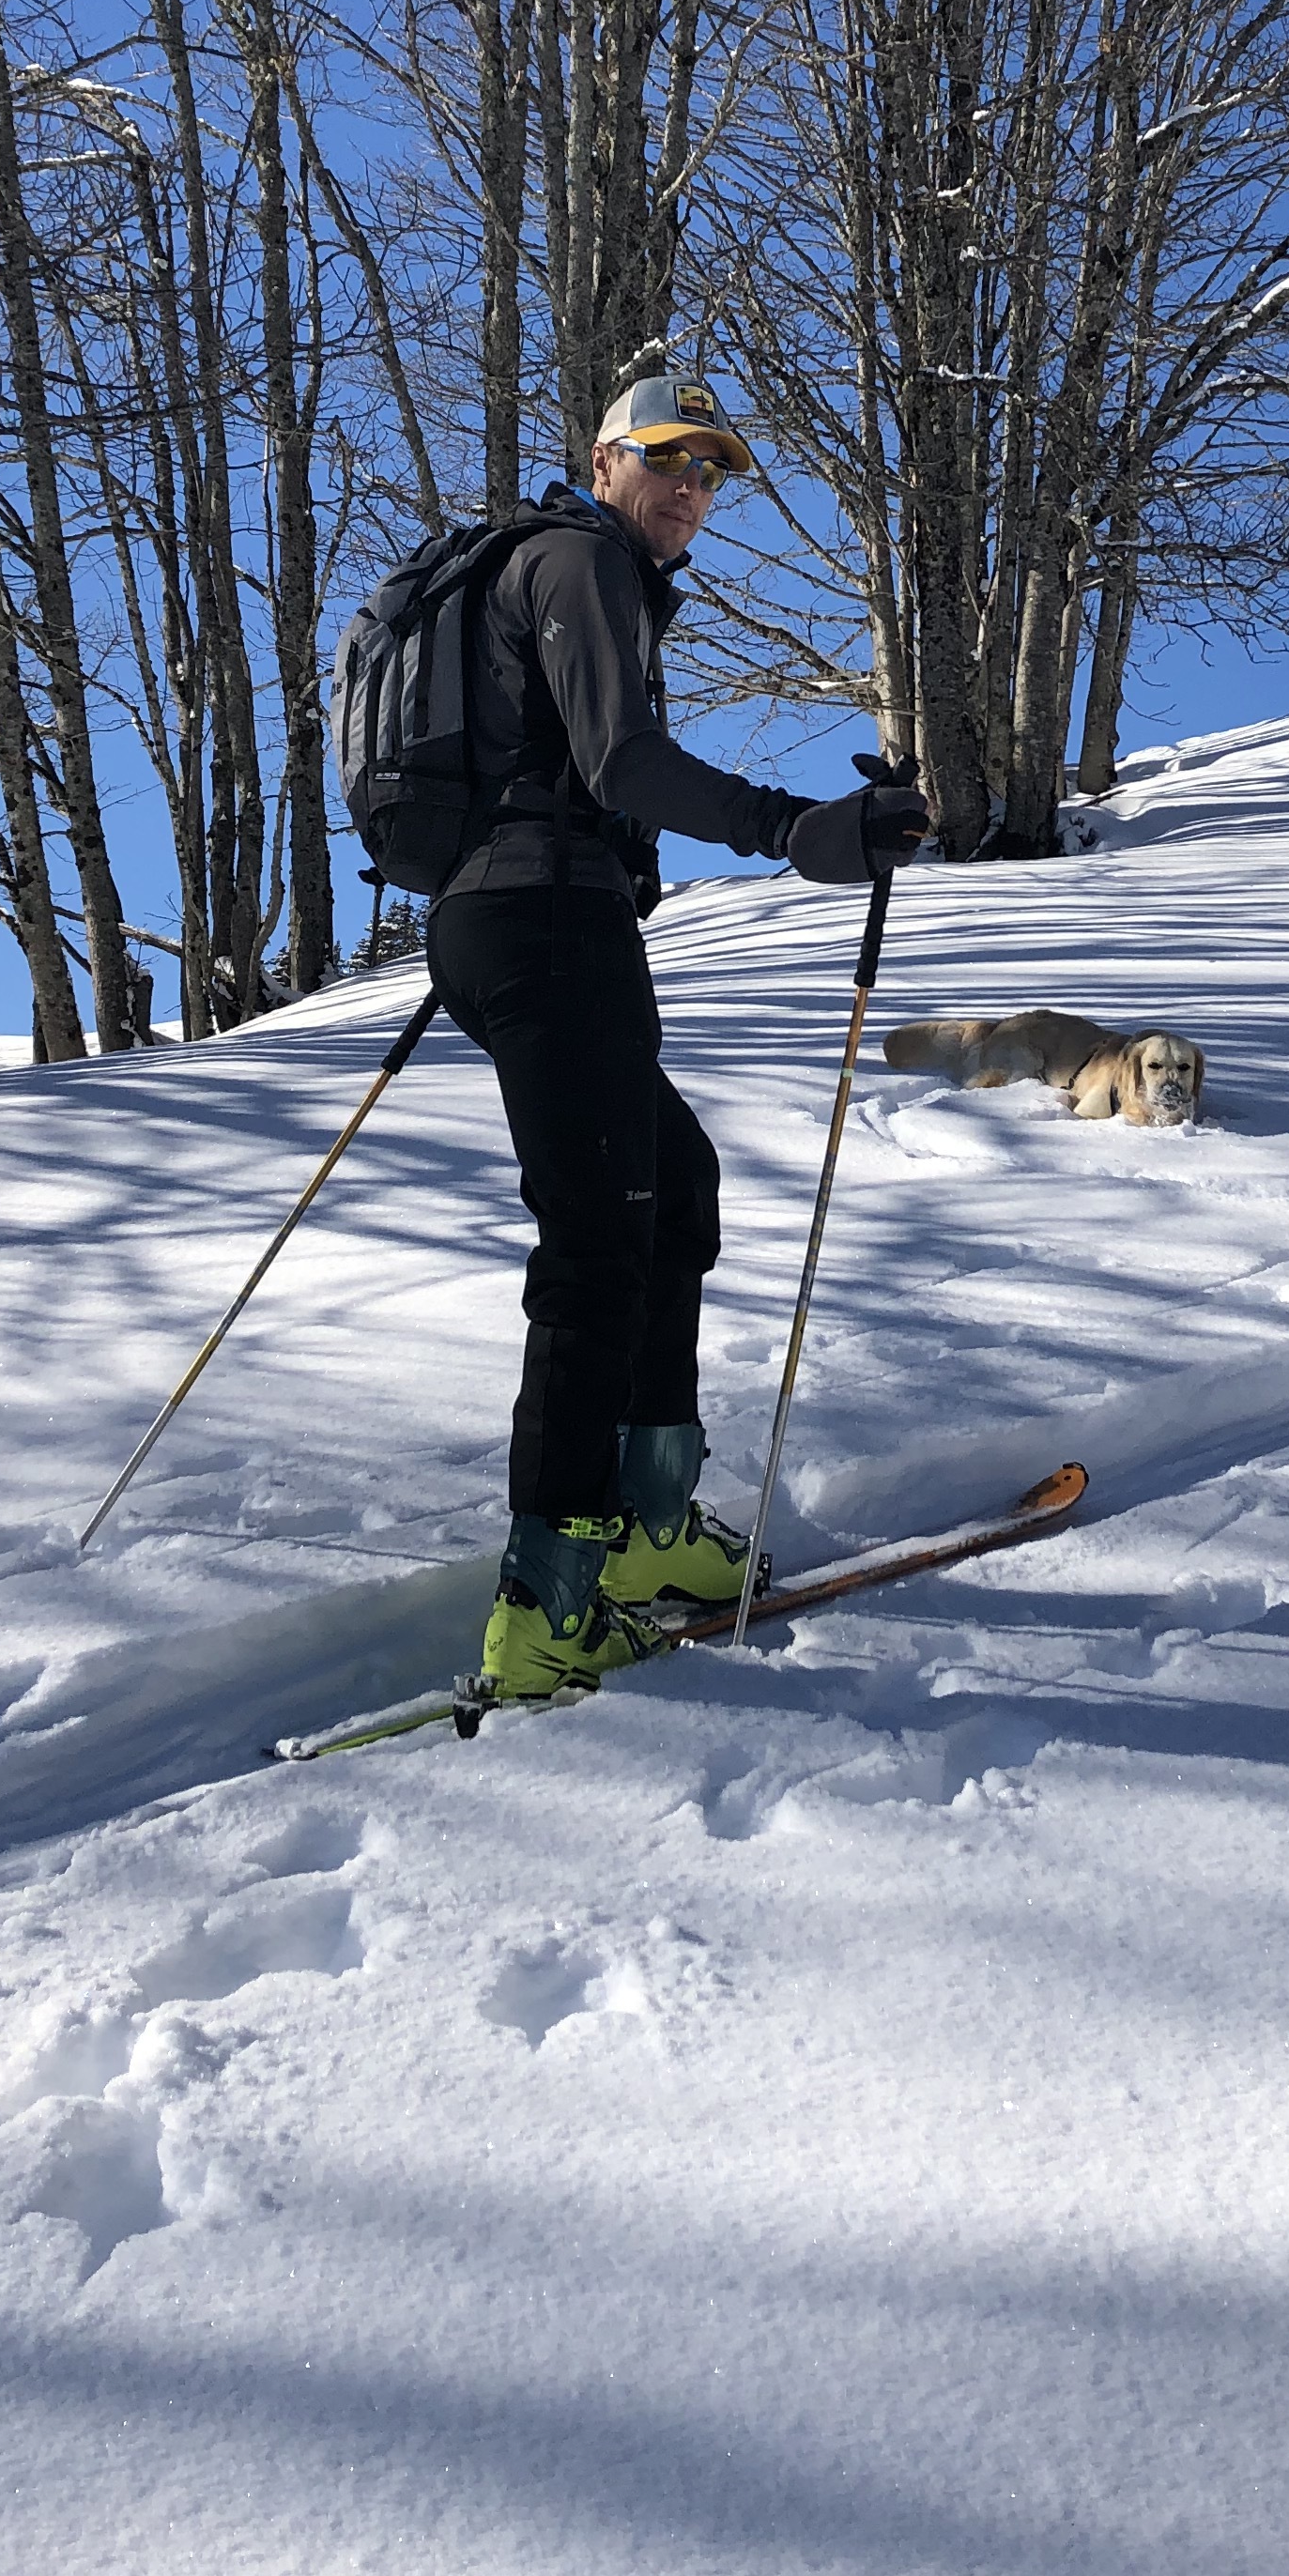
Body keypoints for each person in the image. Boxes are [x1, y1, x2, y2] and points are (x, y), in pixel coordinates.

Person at [426, 364, 931, 1704]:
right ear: (605, 464)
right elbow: (623, 762)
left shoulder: (561, 573)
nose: (692, 489)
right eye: (668, 459)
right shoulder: (581, 562)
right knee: (598, 1243)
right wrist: (794, 827)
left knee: (675, 1188)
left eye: (710, 472)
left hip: (528, 916)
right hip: (544, 926)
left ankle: (651, 1524)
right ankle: (548, 1600)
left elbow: (561, 763)